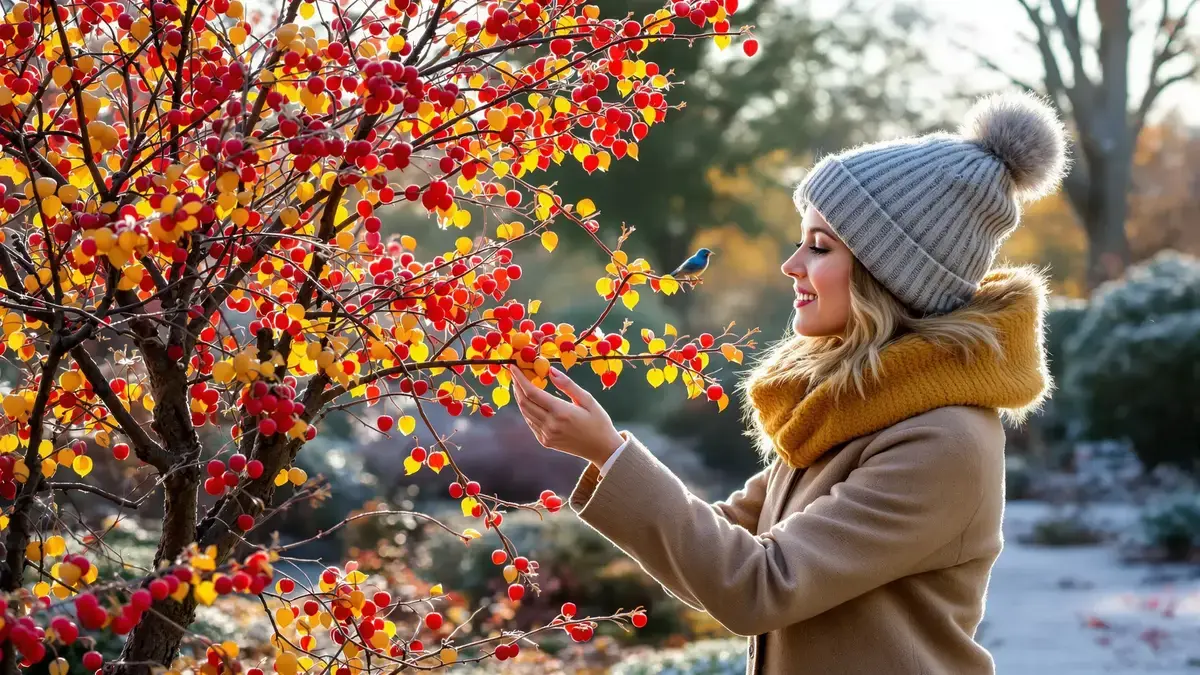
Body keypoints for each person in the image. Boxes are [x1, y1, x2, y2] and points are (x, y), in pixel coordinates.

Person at [507, 90, 1067, 675]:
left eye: (819, 246)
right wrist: (604, 455)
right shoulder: (855, 407)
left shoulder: (940, 441)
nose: (791, 264)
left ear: (889, 274)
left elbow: (757, 585)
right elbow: (727, 541)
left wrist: (610, 451)